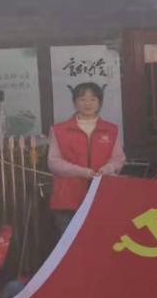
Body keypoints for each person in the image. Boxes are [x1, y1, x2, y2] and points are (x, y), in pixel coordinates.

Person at [47, 82, 126, 231]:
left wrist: (108, 168)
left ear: (100, 102)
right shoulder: (59, 129)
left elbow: (118, 158)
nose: (87, 103)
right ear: (74, 102)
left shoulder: (110, 129)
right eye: (82, 99)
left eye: (93, 99)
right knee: (71, 242)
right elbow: (54, 162)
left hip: (103, 196)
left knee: (101, 240)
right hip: (68, 199)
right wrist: (82, 171)